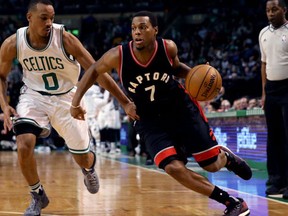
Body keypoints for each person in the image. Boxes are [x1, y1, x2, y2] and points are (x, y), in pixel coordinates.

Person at [70, 11, 252, 215]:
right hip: (148, 118)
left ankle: (225, 158)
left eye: (143, 27)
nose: (137, 32)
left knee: (211, 165)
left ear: (155, 30)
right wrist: (81, 102)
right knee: (172, 167)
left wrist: (202, 77)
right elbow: (94, 70)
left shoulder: (168, 47)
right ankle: (232, 203)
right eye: (133, 28)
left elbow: (175, 68)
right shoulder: (118, 55)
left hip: (180, 110)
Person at [0, 0, 136, 215]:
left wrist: (125, 101)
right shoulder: (12, 43)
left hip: (68, 98)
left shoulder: (64, 39)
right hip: (34, 96)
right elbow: (1, 76)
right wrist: (5, 105)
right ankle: (37, 195)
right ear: (29, 18)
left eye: (52, 18)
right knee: (24, 143)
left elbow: (97, 71)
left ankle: (89, 167)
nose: (49, 22)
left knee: (82, 157)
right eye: (44, 17)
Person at [259, 0, 288, 199]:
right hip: (271, 89)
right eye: (268, 10)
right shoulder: (263, 33)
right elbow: (264, 64)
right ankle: (275, 181)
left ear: (284, 10)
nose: (270, 13)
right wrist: (264, 93)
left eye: (274, 9)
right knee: (274, 137)